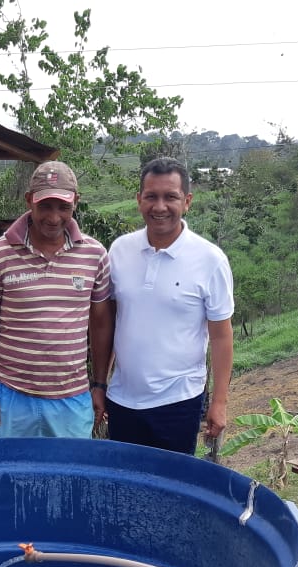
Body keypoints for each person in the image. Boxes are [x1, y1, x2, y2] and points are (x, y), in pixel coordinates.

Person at [0, 161, 114, 438]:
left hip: (71, 398)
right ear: (29, 200)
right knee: (5, 466)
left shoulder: (95, 254)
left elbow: (100, 324)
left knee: (68, 467)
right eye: (45, 206)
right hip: (9, 396)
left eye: (63, 207)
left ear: (76, 202)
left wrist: (99, 384)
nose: (54, 217)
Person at [104, 156, 235, 454]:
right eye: (151, 196)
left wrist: (219, 402)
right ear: (139, 200)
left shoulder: (210, 260)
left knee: (170, 481)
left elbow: (221, 336)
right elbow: (111, 321)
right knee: (124, 478)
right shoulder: (120, 250)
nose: (160, 207)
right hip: (122, 399)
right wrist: (101, 384)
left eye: (170, 197)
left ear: (187, 201)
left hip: (178, 402)